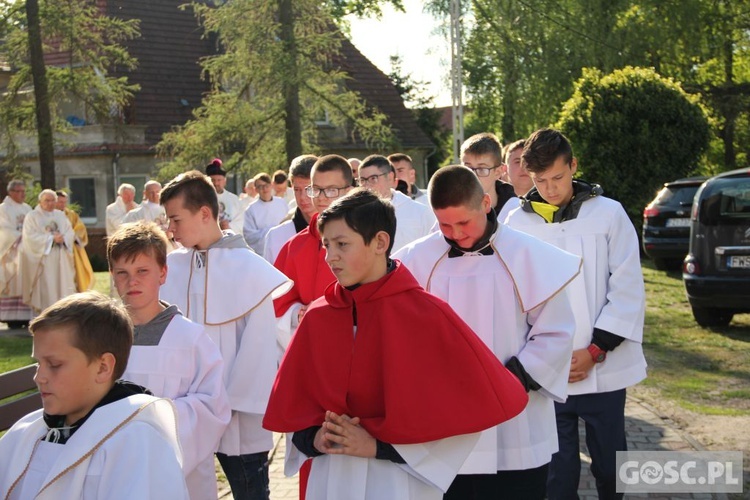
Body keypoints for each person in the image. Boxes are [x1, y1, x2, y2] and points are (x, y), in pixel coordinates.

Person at [263, 189, 529, 500]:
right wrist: (314, 439)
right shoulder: (318, 316)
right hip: (332, 476)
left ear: (380, 242)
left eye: (342, 244)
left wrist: (378, 446)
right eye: (326, 245)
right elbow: (295, 408)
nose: (330, 256)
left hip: (397, 481)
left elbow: (453, 420)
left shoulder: (426, 315)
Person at [394, 165, 580, 499]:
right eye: (445, 225)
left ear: (485, 203)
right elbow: (398, 334)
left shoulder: (528, 254)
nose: (457, 234)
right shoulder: (413, 259)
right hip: (445, 423)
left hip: (515, 420)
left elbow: (556, 332)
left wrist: (511, 380)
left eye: (463, 222)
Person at [505, 128, 647, 500]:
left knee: (611, 466)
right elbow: (514, 300)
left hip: (604, 367)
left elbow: (628, 287)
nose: (550, 189)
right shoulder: (517, 224)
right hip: (550, 374)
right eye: (540, 181)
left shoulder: (608, 214)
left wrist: (596, 349)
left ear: (573, 166)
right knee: (557, 474)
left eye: (557, 177)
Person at [159, 170, 291, 500]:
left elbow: (258, 350)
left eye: (175, 219)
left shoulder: (248, 268)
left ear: (205, 214)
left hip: (235, 417)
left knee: (249, 492)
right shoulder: (173, 266)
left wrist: (223, 405)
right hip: (185, 411)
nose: (170, 230)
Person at [0, 291, 188, 499]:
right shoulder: (27, 431)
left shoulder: (136, 443)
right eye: (38, 364)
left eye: (54, 365)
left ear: (102, 368)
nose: (39, 377)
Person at [107, 221, 231, 499]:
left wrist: (152, 418)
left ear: (163, 273)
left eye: (142, 271)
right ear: (112, 276)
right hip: (115, 469)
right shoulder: (100, 339)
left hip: (179, 479)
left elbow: (213, 408)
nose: (132, 281)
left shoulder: (189, 338)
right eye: (122, 273)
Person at [272, 154, 353, 352]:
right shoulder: (295, 246)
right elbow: (276, 303)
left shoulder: (368, 240)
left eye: (331, 190)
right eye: (316, 190)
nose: (322, 197)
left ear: (349, 191)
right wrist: (297, 313)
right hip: (309, 347)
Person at [357, 154, 435, 253]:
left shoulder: (420, 212)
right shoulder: (355, 214)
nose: (367, 186)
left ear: (390, 177)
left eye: (373, 178)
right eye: (362, 180)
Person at [18, 190, 76, 314]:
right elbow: (29, 237)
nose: (50, 203)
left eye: (52, 200)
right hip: (44, 259)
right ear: (40, 202)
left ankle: (63, 313)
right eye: (47, 200)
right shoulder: (32, 216)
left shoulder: (60, 215)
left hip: (60, 256)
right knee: (47, 286)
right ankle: (46, 314)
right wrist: (50, 239)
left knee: (62, 286)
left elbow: (70, 232)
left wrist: (64, 238)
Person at [263, 155, 318, 263]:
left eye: (309, 189)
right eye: (297, 189)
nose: (302, 197)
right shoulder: (276, 236)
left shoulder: (339, 233)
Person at [460, 133, 518, 221]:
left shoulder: (516, 212)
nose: (473, 176)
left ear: (498, 172)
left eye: (482, 169)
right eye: (467, 168)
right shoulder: (451, 208)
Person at [0, 179, 33, 327]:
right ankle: (11, 318)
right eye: (19, 191)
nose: (22, 194)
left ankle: (26, 315)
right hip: (11, 251)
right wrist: (19, 237)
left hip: (27, 251)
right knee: (14, 282)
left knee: (26, 281)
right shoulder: (3, 209)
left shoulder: (27, 208)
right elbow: (4, 229)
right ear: (10, 192)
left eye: (23, 191)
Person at [55, 190, 94, 293]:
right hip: (55, 249)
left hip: (70, 249)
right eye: (60, 202)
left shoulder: (71, 215)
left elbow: (80, 229)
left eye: (64, 202)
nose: (63, 204)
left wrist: (71, 236)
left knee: (73, 274)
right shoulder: (50, 216)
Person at [242, 173, 289, 254]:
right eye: (260, 186)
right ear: (256, 189)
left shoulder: (281, 203)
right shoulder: (251, 209)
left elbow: (289, 224)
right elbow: (249, 236)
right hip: (264, 253)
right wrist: (272, 232)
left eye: (266, 185)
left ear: (271, 186)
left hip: (283, 249)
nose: (264, 189)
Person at [206, 158, 244, 234]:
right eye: (213, 180)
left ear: (225, 181)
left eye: (219, 180)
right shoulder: (202, 198)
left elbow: (242, 220)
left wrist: (229, 226)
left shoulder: (234, 199)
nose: (216, 183)